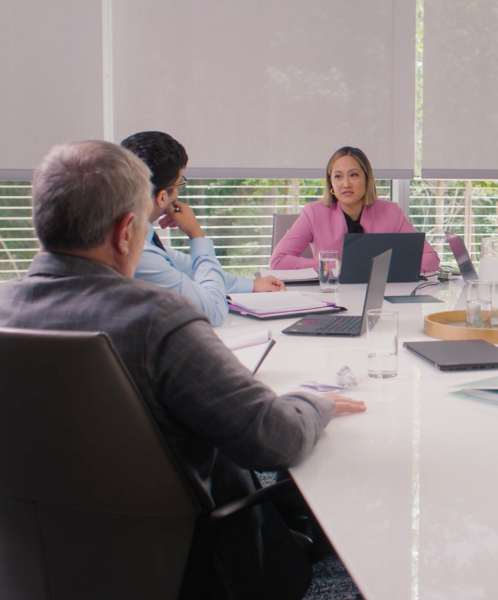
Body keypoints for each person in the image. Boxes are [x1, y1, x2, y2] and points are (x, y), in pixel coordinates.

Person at [0, 140, 367, 600]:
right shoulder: (157, 319)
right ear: (126, 231)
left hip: (37, 567)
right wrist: (313, 400)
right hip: (196, 566)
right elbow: (277, 440)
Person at [121, 131, 285, 327]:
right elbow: (213, 310)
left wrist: (251, 285)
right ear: (163, 197)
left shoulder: (137, 233)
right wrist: (196, 234)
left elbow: (187, 266)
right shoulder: (139, 253)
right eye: (179, 185)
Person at [270, 146, 440, 272]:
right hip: (331, 297)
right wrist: (333, 266)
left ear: (367, 179)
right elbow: (278, 261)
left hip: (380, 299)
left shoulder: (391, 212)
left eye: (353, 175)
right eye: (338, 176)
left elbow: (430, 258)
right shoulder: (313, 213)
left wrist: (379, 268)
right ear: (331, 183)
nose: (346, 184)